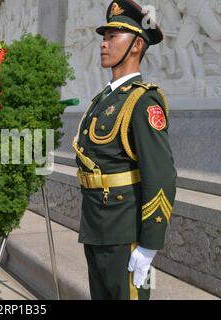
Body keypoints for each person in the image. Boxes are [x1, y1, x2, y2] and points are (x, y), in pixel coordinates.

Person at [72, 0, 177, 300]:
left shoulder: (144, 102)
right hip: (96, 227)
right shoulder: (102, 100)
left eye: (112, 37)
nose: (103, 45)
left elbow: (161, 175)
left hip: (125, 233)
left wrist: (149, 245)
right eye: (104, 37)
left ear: (136, 45)